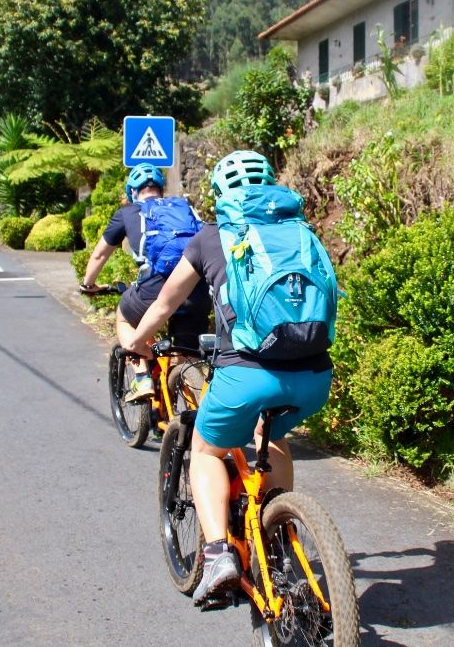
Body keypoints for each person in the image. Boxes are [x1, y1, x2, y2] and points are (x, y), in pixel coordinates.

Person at [122, 150, 334, 607]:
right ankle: (277, 525)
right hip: (315, 375)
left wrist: (135, 344)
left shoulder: (207, 238)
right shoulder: (299, 232)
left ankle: (218, 553)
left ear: (219, 194)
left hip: (247, 376)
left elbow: (163, 306)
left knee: (205, 449)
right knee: (272, 436)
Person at [80, 163, 211, 402]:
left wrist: (88, 285)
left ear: (132, 191)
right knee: (187, 356)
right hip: (197, 287)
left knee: (124, 315)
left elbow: (99, 255)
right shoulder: (184, 207)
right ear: (161, 189)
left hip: (156, 286)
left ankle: (142, 377)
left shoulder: (128, 212)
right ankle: (191, 417)